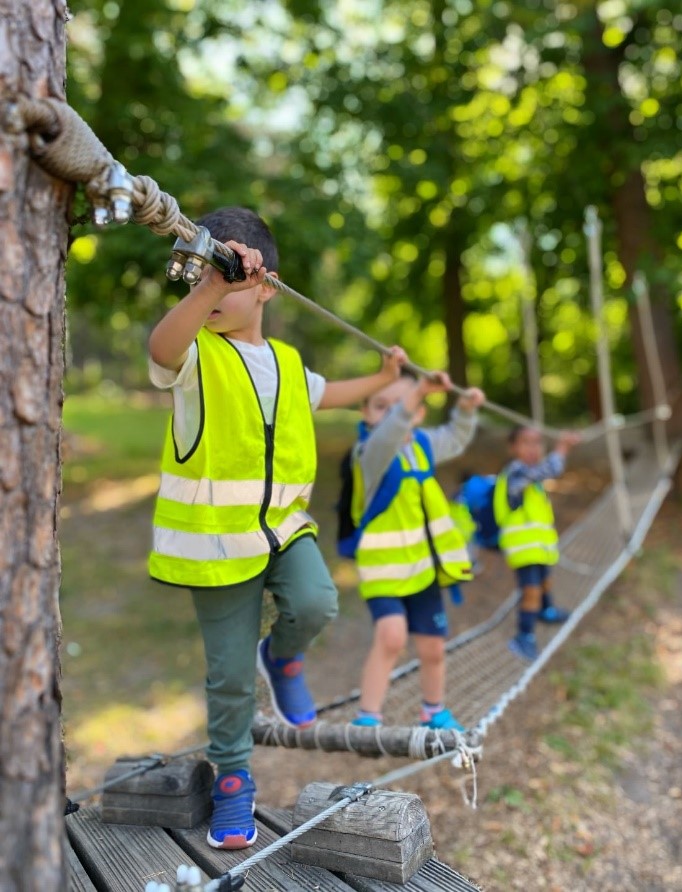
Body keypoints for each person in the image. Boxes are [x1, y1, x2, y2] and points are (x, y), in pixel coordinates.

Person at [147, 206, 407, 850]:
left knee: (318, 602)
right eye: (200, 278)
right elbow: (159, 348)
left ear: (265, 285)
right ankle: (235, 783)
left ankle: (284, 655)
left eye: (228, 276)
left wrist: (384, 377)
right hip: (215, 545)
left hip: (284, 529)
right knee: (229, 676)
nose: (208, 289)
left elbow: (330, 393)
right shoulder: (193, 356)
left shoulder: (288, 364)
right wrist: (212, 283)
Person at [348, 369, 485, 731]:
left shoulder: (422, 444)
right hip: (384, 570)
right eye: (382, 407)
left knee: (433, 648)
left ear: (421, 412)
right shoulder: (369, 454)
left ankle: (433, 710)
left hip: (423, 568)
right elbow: (389, 434)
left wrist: (467, 410)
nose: (393, 415)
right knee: (391, 637)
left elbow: (455, 437)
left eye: (402, 406)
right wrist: (415, 395)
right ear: (365, 413)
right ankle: (368, 715)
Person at [493, 425, 582, 662]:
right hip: (523, 549)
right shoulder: (517, 472)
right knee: (530, 591)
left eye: (537, 442)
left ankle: (547, 610)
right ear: (512, 447)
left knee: (544, 582)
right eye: (526, 442)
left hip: (539, 547)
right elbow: (551, 469)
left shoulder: (530, 478)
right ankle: (524, 636)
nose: (533, 448)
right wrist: (562, 447)